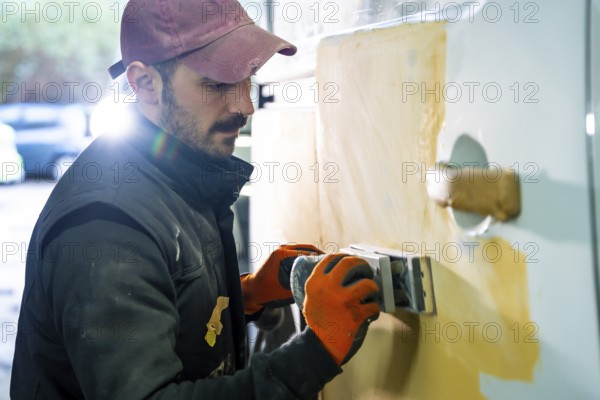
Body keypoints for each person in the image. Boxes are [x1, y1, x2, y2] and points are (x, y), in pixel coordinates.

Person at [10, 1, 381, 398]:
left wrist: (246, 295)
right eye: (218, 84)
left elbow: (165, 313)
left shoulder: (178, 169)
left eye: (248, 78)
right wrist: (318, 349)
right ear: (145, 83)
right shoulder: (105, 227)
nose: (245, 106)